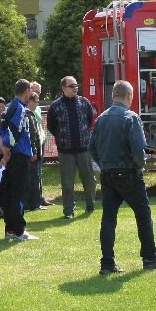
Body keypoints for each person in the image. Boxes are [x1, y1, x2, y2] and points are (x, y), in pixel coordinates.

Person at [89, 80, 156, 275]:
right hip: (128, 173)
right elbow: (138, 149)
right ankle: (149, 256)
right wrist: (140, 165)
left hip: (108, 174)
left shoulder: (101, 118)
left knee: (108, 218)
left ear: (113, 96)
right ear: (129, 96)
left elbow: (91, 148)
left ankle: (107, 263)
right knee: (143, 214)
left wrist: (104, 163)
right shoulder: (131, 118)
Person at [47, 75, 98, 220]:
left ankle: (90, 205)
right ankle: (68, 210)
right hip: (66, 151)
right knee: (67, 183)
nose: (75, 88)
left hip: (84, 149)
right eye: (71, 86)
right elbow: (51, 126)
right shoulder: (55, 106)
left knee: (89, 179)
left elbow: (90, 120)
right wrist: (62, 136)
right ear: (63, 88)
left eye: (76, 85)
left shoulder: (84, 102)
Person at [0, 80, 37, 241]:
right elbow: (14, 132)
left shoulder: (9, 107)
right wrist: (7, 150)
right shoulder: (20, 108)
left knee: (9, 192)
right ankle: (19, 231)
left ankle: (10, 229)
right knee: (18, 193)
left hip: (11, 155)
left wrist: (4, 151)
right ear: (26, 90)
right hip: (19, 155)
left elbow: (0, 130)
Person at [26, 81, 50, 208]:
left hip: (40, 140)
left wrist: (43, 137)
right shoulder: (27, 109)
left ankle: (39, 198)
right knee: (33, 172)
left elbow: (39, 125)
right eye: (34, 91)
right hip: (33, 143)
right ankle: (33, 201)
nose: (37, 95)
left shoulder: (38, 109)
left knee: (39, 171)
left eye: (39, 93)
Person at [23, 92, 44, 213]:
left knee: (35, 177)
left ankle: (35, 203)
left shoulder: (31, 114)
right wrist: (34, 151)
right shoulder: (27, 114)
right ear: (30, 101)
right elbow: (31, 135)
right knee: (31, 178)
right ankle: (32, 204)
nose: (37, 104)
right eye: (36, 101)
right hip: (31, 152)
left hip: (35, 150)